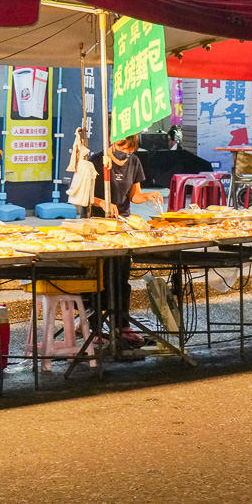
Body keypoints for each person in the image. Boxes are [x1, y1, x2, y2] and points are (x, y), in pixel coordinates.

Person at [88, 134, 164, 346]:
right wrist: (102, 203)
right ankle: (92, 325)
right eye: (123, 147)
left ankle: (121, 324)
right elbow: (82, 194)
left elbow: (134, 196)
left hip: (123, 225)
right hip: (98, 225)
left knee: (122, 276)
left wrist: (149, 196)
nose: (126, 153)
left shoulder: (134, 162)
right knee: (100, 277)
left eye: (131, 150)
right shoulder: (97, 161)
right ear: (113, 141)